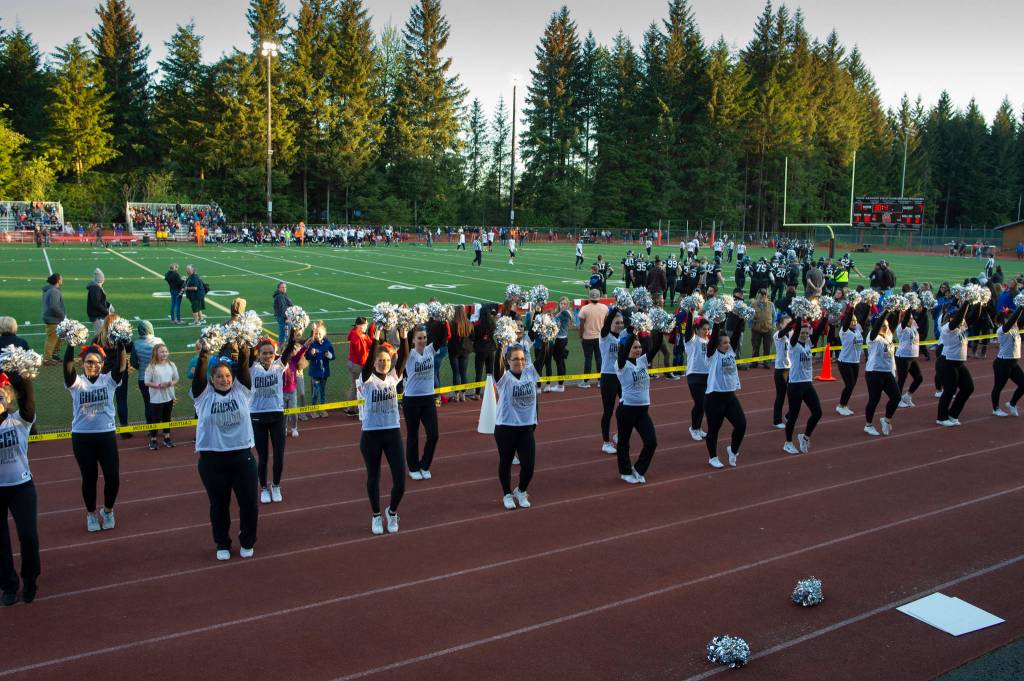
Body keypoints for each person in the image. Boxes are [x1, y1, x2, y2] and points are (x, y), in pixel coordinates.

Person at [192, 340, 257, 560]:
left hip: (242, 456)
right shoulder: (203, 397)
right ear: (212, 379)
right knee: (219, 504)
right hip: (212, 459)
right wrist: (204, 352)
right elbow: (199, 376)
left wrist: (244, 343)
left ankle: (247, 540)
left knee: (249, 502)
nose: (224, 379)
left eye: (228, 376)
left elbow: (244, 366)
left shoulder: (242, 392)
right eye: (219, 376)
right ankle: (222, 543)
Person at [64, 340, 126, 532]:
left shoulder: (108, 380)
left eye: (97, 362)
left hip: (106, 435)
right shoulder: (77, 383)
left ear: (102, 364)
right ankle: (91, 514)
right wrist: (70, 344)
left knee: (113, 477)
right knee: (89, 478)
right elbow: (67, 368)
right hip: (82, 437)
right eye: (89, 362)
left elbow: (121, 367)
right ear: (82, 363)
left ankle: (107, 510)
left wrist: (121, 344)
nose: (93, 366)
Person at [359, 326, 409, 533]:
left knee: (401, 479)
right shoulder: (367, 379)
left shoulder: (393, 377)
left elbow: (404, 355)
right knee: (374, 477)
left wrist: (404, 335)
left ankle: (393, 511)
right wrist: (376, 339)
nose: (383, 363)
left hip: (392, 432)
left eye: (387, 360)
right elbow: (368, 362)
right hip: (371, 434)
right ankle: (376, 515)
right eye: (380, 360)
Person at [0, 371, 39, 605]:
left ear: (8, 398)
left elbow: (29, 399)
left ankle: (30, 579)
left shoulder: (21, 419)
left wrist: (20, 371)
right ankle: (8, 585)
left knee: (28, 536)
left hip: (22, 486)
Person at [250, 331, 299, 504]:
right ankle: (263, 487)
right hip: (257, 417)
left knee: (279, 455)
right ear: (258, 354)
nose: (268, 356)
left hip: (277, 415)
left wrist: (293, 330)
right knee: (263, 456)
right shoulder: (252, 368)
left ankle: (276, 485)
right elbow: (247, 352)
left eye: (271, 352)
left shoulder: (279, 366)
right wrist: (249, 336)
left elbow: (289, 348)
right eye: (264, 353)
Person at [614, 326, 663, 484]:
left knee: (651, 442)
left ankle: (639, 469)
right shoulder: (620, 365)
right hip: (626, 410)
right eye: (635, 347)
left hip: (642, 412)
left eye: (640, 347)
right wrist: (633, 333)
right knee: (624, 443)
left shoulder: (642, 361)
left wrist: (661, 328)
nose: (638, 349)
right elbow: (624, 352)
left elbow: (656, 346)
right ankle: (625, 472)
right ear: (627, 348)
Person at [493, 343, 538, 510]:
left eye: (521, 359)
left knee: (529, 464)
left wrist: (546, 337)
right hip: (506, 427)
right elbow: (496, 368)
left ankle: (520, 490)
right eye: (515, 359)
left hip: (526, 428)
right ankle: (506, 493)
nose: (519, 362)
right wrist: (500, 347)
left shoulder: (530, 373)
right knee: (505, 462)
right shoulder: (504, 378)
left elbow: (541, 359)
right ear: (508, 361)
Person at [403, 323, 445, 480]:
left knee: (433, 435)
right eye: (419, 338)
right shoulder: (409, 354)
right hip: (411, 400)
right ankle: (413, 467)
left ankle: (424, 465)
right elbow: (403, 344)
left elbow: (442, 335)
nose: (422, 340)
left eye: (425, 337)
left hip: (428, 399)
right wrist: (404, 329)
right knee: (413, 435)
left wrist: (439, 319)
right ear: (413, 339)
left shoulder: (430, 350)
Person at [704, 326, 746, 468]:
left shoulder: (731, 352)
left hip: (730, 396)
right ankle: (713, 457)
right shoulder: (712, 355)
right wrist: (716, 323)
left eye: (728, 342)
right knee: (714, 429)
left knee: (741, 424)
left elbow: (735, 335)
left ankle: (733, 450)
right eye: (724, 343)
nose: (728, 345)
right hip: (714, 398)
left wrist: (740, 317)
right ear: (717, 345)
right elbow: (712, 340)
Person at [782, 320, 822, 454]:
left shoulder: (809, 344)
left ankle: (804, 437)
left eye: (806, 332)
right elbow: (796, 332)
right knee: (793, 416)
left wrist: (826, 316)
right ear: (797, 333)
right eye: (802, 333)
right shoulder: (793, 345)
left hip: (807, 383)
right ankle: (788, 443)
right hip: (795, 385)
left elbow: (819, 331)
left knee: (817, 412)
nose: (804, 335)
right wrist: (799, 317)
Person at [862, 310, 901, 436]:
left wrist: (899, 307)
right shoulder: (872, 337)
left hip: (887, 372)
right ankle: (868, 425)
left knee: (896, 397)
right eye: (883, 326)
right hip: (874, 372)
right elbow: (878, 324)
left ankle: (886, 419)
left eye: (887, 325)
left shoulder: (888, 335)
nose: (886, 327)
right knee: (874, 399)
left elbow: (895, 322)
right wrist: (887, 311)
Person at [936, 301, 974, 427]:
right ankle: (941, 417)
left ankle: (953, 414)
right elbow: (958, 318)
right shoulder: (947, 328)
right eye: (960, 318)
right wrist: (967, 302)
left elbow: (975, 316)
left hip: (958, 364)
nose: (963, 320)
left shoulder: (962, 326)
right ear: (951, 318)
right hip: (946, 363)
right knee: (950, 390)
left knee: (968, 387)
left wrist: (979, 302)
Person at [130, 321, 164, 450]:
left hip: (143, 378)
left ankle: (151, 429)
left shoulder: (136, 344)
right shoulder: (159, 340)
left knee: (148, 404)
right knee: (162, 401)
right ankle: (164, 427)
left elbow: (133, 362)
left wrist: (142, 368)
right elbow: (165, 356)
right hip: (160, 376)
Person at [597, 308, 626, 454]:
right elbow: (607, 322)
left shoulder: (623, 336)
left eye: (621, 322)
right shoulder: (605, 336)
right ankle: (606, 443)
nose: (620, 325)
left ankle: (619, 434)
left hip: (622, 377)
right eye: (617, 322)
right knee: (608, 411)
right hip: (608, 376)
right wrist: (616, 307)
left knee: (626, 407)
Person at [683, 307, 712, 445]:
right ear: (697, 329)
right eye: (704, 329)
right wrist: (690, 313)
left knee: (704, 404)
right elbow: (688, 330)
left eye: (708, 329)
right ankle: (693, 428)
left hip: (707, 376)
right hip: (694, 376)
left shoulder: (708, 342)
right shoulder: (691, 341)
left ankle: (698, 427)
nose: (706, 331)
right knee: (700, 403)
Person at [144, 343, 178, 448]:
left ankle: (167, 438)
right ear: (156, 353)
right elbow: (146, 382)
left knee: (167, 417)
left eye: (165, 351)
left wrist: (171, 383)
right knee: (155, 419)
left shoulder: (171, 365)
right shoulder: (151, 367)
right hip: (156, 398)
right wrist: (159, 385)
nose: (164, 354)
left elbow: (176, 378)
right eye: (161, 352)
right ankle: (153, 440)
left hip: (168, 396)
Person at [992, 306, 1024, 416]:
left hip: (1013, 364)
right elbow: (1010, 322)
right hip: (1002, 363)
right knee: (998, 387)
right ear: (1004, 320)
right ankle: (995, 409)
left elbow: (1017, 319)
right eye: (1009, 318)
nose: (1013, 320)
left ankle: (1012, 403)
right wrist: (1021, 307)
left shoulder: (1016, 328)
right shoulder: (1002, 330)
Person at [835, 305, 864, 416]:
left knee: (852, 385)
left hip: (855, 362)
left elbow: (864, 317)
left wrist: (869, 305)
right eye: (852, 320)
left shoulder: (857, 330)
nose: (854, 322)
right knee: (849, 384)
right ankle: (840, 405)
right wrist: (852, 307)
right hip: (845, 362)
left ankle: (844, 405)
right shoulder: (844, 331)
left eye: (855, 320)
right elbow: (847, 320)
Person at [577, 290, 608, 388]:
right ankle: (600, 381)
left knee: (588, 359)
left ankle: (586, 381)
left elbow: (581, 324)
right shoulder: (605, 308)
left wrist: (581, 335)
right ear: (599, 297)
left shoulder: (584, 309)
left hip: (587, 337)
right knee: (599, 359)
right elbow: (606, 323)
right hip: (599, 338)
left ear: (590, 297)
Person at [895, 309, 923, 408]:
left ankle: (907, 396)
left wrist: (925, 308)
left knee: (919, 378)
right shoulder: (901, 328)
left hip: (913, 357)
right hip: (903, 357)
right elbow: (906, 318)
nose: (911, 320)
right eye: (909, 318)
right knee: (902, 379)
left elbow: (920, 317)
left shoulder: (913, 326)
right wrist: (909, 307)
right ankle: (897, 400)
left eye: (912, 318)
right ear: (903, 319)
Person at [307, 322, 335, 418]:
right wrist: (312, 353)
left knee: (322, 391)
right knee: (315, 392)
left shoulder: (328, 344)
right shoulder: (312, 343)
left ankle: (322, 409)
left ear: (324, 334)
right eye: (316, 333)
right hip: (315, 372)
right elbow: (307, 356)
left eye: (320, 334)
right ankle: (313, 409)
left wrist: (328, 355)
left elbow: (333, 356)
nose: (318, 335)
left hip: (324, 373)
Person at [345, 317, 372, 416]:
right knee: (359, 386)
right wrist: (365, 364)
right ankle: (356, 408)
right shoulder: (357, 335)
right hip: (357, 364)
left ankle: (351, 408)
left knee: (354, 386)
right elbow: (360, 352)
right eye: (365, 325)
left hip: (354, 363)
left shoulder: (359, 334)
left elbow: (370, 344)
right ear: (359, 325)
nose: (366, 326)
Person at [771, 314, 793, 428]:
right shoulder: (777, 335)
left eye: (790, 323)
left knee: (795, 394)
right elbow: (785, 331)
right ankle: (777, 420)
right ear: (780, 325)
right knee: (781, 395)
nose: (790, 325)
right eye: (787, 323)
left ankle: (789, 415)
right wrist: (793, 322)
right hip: (781, 370)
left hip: (791, 369)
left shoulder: (792, 335)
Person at [41, 273, 66, 365]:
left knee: (59, 337)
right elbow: (54, 307)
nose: (62, 280)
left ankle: (53, 354)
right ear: (58, 280)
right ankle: (47, 358)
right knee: (52, 338)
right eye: (61, 278)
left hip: (53, 318)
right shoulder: (54, 291)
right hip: (53, 319)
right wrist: (62, 315)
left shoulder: (51, 290)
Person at [86, 269, 111, 334]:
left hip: (98, 316)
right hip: (98, 316)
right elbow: (97, 303)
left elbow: (100, 300)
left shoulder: (96, 287)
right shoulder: (95, 288)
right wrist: (106, 312)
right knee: (100, 336)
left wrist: (109, 305)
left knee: (100, 335)